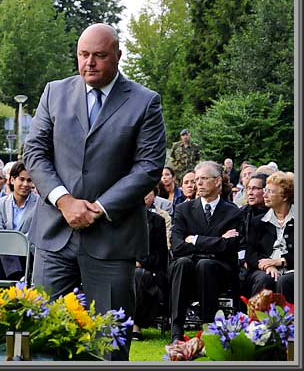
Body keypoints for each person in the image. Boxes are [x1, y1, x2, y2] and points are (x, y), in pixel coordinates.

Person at [23, 23, 166, 361]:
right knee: (42, 335)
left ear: (118, 56)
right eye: (83, 55)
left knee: (109, 343)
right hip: (54, 235)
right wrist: (64, 200)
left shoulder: (145, 102)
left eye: (99, 56)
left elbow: (147, 167)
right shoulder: (53, 92)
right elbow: (34, 152)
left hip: (112, 239)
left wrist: (97, 208)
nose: (89, 63)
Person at [168, 161, 242, 343]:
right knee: (183, 263)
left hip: (219, 269)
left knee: (205, 264)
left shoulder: (232, 212)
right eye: (196, 179)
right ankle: (176, 330)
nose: (197, 183)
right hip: (186, 266)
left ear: (217, 182)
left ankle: (208, 328)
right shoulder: (183, 209)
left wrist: (195, 239)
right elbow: (177, 247)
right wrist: (217, 241)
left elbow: (230, 247)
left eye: (203, 179)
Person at [245, 171, 294, 302]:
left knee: (285, 281)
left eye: (271, 192)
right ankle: (256, 321)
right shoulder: (257, 222)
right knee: (265, 279)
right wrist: (268, 266)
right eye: (265, 190)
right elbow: (250, 254)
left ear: (284, 197)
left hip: (293, 268)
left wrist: (280, 261)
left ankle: (289, 321)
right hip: (263, 269)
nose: (265, 195)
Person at [0, 161, 38, 281]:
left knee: (0, 251)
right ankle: (17, 277)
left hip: (28, 253)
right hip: (3, 251)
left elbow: (36, 233)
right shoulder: (0, 204)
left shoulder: (39, 204)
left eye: (29, 180)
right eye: (21, 179)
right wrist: (11, 242)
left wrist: (14, 242)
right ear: (12, 180)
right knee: (0, 248)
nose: (25, 184)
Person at [132, 193, 168, 341]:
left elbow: (160, 255)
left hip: (149, 271)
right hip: (120, 265)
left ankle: (135, 326)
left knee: (138, 275)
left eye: (148, 192)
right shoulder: (117, 220)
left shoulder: (157, 221)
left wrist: (140, 261)